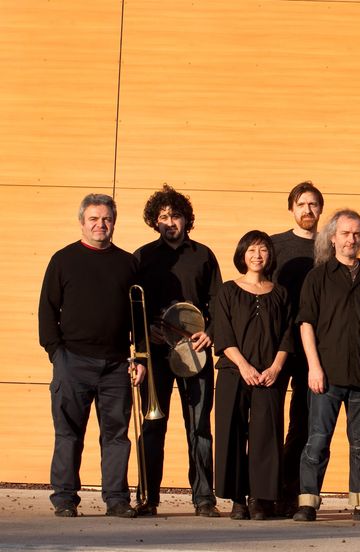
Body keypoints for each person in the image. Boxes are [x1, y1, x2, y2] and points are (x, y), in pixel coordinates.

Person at [39, 193, 142, 518]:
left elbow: (138, 316)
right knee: (68, 433)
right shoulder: (63, 260)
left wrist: (139, 358)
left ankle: (117, 499)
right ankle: (65, 499)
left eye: (106, 219)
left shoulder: (128, 263)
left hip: (117, 365)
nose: (100, 224)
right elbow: (47, 311)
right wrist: (57, 354)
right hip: (73, 362)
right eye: (94, 219)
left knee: (117, 436)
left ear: (114, 222)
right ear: (82, 222)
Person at [292, 210, 360, 523]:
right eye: (346, 233)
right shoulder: (318, 277)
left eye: (357, 234)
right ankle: (308, 503)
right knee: (317, 440)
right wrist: (313, 367)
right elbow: (306, 324)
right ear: (333, 238)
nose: (352, 239)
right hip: (326, 374)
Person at [133, 185, 222, 517]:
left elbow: (218, 304)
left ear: (187, 219)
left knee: (199, 427)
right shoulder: (142, 257)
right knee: (153, 424)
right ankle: (148, 497)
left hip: (194, 350)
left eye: (176, 215)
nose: (170, 222)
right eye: (163, 216)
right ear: (154, 221)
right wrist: (144, 339)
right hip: (156, 353)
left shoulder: (203, 255)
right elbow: (134, 308)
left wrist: (209, 334)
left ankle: (204, 498)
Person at [213, 231, 293, 520]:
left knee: (266, 436)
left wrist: (276, 368)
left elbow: (288, 334)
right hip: (234, 373)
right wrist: (244, 366)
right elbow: (223, 334)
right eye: (251, 250)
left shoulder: (281, 293)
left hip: (269, 376)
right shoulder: (227, 291)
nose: (257, 256)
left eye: (263, 250)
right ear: (242, 254)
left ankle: (260, 499)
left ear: (270, 255)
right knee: (232, 433)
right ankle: (238, 499)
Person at [272, 181, 324, 515]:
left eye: (313, 204)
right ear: (291, 208)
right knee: (268, 420)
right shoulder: (274, 245)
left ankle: (290, 491)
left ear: (320, 210)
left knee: (303, 423)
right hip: (276, 345)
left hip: (312, 349)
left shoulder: (329, 247)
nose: (307, 210)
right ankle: (264, 491)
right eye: (302, 204)